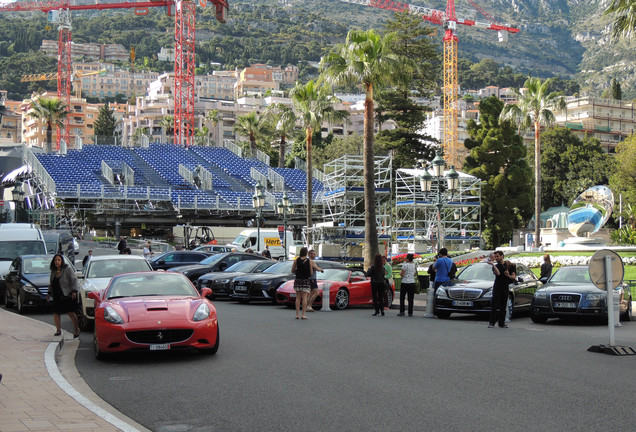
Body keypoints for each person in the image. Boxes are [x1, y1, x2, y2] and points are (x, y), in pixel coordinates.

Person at [46, 254, 80, 338]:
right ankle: (58, 330)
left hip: (67, 294)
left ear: (62, 261)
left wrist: (74, 291)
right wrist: (49, 293)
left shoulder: (67, 269)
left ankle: (76, 329)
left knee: (71, 313)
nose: (57, 262)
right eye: (55, 260)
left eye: (58, 260)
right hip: (57, 295)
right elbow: (51, 283)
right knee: (56, 312)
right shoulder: (53, 271)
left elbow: (74, 280)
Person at [487, 251, 516, 328]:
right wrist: (493, 264)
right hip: (497, 287)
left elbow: (513, 277)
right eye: (495, 257)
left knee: (503, 306)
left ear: (502, 256)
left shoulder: (510, 266)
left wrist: (508, 275)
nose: (496, 258)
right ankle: (492, 323)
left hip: (505, 287)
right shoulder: (496, 266)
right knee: (494, 305)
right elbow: (498, 273)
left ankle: (501, 323)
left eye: (497, 256)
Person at [291, 247, 312, 320]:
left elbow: (292, 270)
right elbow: (311, 272)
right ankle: (303, 314)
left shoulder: (296, 260)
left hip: (298, 280)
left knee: (298, 297)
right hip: (305, 280)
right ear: (306, 253)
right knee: (304, 297)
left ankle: (297, 314)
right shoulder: (309, 261)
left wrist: (297, 273)